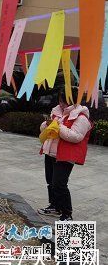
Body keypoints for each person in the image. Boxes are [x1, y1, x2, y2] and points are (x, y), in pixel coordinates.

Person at [37, 87, 92, 222]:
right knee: (50, 182)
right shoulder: (56, 112)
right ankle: (55, 206)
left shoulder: (81, 117)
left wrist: (58, 126)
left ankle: (67, 213)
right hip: (50, 151)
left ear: (73, 101)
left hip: (66, 155)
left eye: (65, 102)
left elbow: (76, 136)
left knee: (59, 184)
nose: (62, 105)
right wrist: (47, 124)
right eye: (61, 101)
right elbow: (44, 129)